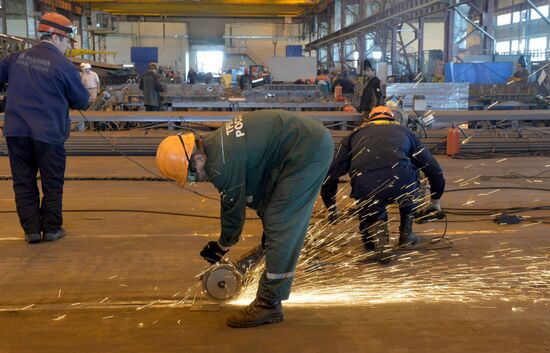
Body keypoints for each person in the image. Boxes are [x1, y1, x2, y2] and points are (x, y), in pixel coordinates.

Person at [156, 110, 333, 327]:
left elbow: (233, 210)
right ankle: (266, 258)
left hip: (307, 151)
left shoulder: (220, 164)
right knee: (270, 211)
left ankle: (269, 304)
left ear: (198, 158)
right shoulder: (215, 143)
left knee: (280, 221)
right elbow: (251, 189)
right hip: (297, 146)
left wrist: (222, 246)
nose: (196, 180)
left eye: (192, 175)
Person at [0, 12, 89, 243]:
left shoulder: (15, 58)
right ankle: (51, 228)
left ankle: (31, 231)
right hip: (48, 133)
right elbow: (81, 101)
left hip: (16, 131)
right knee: (52, 181)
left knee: (23, 180)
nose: (68, 47)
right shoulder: (64, 66)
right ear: (56, 36)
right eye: (67, 42)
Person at [321, 106, 445, 259]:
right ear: (393, 119)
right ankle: (406, 233)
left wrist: (331, 207)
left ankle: (375, 231)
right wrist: (435, 201)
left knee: (368, 199)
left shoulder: (353, 136)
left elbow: (331, 175)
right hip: (402, 184)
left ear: (369, 121)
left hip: (367, 188)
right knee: (415, 175)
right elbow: (433, 168)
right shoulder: (405, 133)